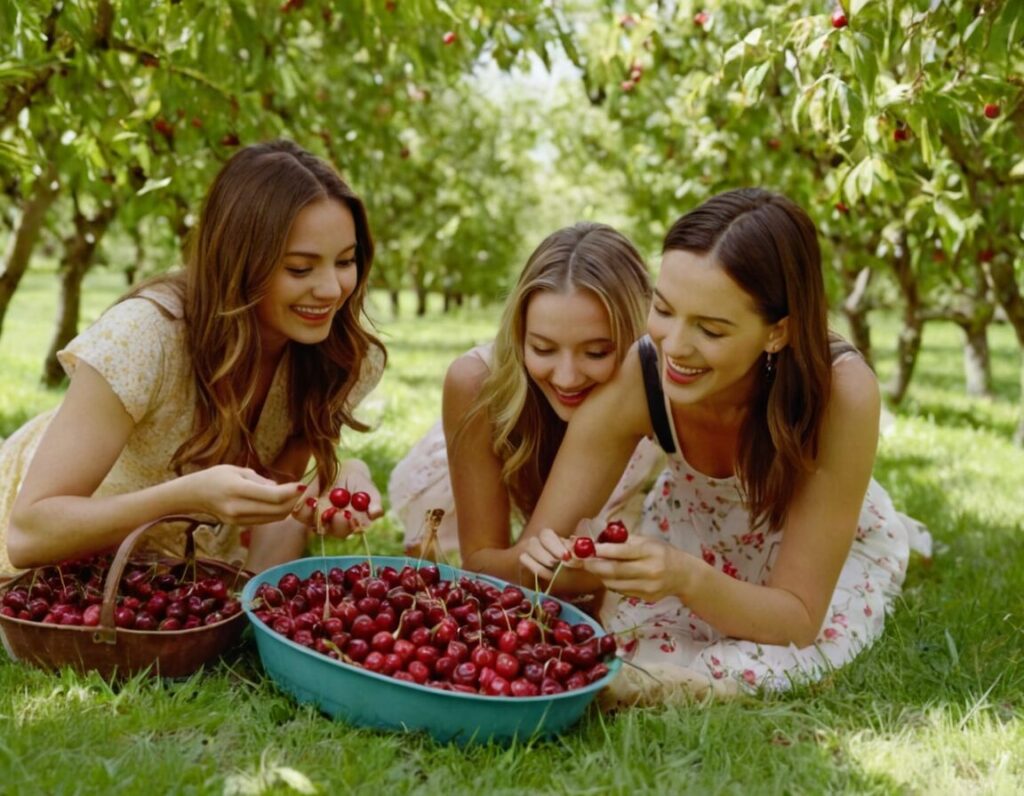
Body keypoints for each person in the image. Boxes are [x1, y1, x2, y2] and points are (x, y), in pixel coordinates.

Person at [510, 188, 931, 702]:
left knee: (770, 660)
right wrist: (558, 561)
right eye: (663, 310)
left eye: (710, 330)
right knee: (626, 655)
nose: (675, 347)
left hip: (801, 562)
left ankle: (898, 537)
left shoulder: (841, 392)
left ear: (777, 332)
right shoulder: (641, 374)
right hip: (690, 536)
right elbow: (536, 552)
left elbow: (796, 617)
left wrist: (687, 579)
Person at [0, 139, 386, 575]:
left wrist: (336, 478)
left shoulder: (331, 355)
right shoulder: (144, 337)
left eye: (346, 261)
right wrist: (185, 496)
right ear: (238, 262)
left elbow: (271, 518)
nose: (332, 290)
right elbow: (28, 535)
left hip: (172, 579)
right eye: (300, 268)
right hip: (58, 558)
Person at [388, 222, 662, 570]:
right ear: (520, 335)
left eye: (596, 353)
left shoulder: (657, 382)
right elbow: (486, 565)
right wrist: (598, 576)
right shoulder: (479, 384)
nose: (566, 377)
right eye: (543, 348)